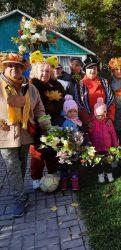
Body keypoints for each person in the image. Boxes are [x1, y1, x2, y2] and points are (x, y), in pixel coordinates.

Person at [0, 53, 50, 217]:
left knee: (21, 165)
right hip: (4, 134)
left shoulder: (29, 87)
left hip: (25, 133)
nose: (14, 69)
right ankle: (19, 200)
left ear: (23, 68)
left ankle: (20, 193)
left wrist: (45, 123)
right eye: (10, 65)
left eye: (18, 66)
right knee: (12, 167)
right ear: (4, 67)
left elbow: (38, 108)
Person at [29, 60, 65, 190]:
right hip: (36, 124)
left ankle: (52, 173)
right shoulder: (31, 86)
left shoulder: (56, 85)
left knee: (52, 149)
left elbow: (61, 101)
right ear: (36, 71)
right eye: (42, 71)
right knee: (37, 153)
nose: (44, 74)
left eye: (47, 71)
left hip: (53, 122)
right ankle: (36, 178)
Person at [75, 55, 115, 131]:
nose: (92, 70)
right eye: (90, 68)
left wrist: (110, 118)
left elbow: (111, 101)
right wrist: (88, 121)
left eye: (95, 68)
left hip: (105, 122)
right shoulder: (79, 85)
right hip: (88, 124)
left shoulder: (104, 82)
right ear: (85, 70)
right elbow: (79, 105)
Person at [88, 97, 118, 183]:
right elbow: (90, 135)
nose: (100, 117)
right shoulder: (93, 123)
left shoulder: (108, 122)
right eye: (98, 116)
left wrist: (115, 145)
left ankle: (109, 175)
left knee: (107, 162)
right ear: (95, 114)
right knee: (98, 163)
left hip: (107, 148)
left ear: (105, 114)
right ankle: (100, 176)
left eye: (102, 115)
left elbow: (113, 134)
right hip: (97, 148)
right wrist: (90, 146)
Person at [60, 94, 83, 191]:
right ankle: (64, 183)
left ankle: (74, 183)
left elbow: (82, 134)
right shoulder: (64, 123)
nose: (73, 113)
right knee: (64, 166)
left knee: (74, 166)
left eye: (74, 111)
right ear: (66, 112)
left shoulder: (79, 122)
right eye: (70, 111)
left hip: (75, 149)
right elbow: (61, 135)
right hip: (65, 149)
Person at [108, 57, 121, 146]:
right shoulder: (108, 82)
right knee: (113, 140)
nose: (119, 71)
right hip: (113, 114)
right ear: (113, 70)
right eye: (116, 69)